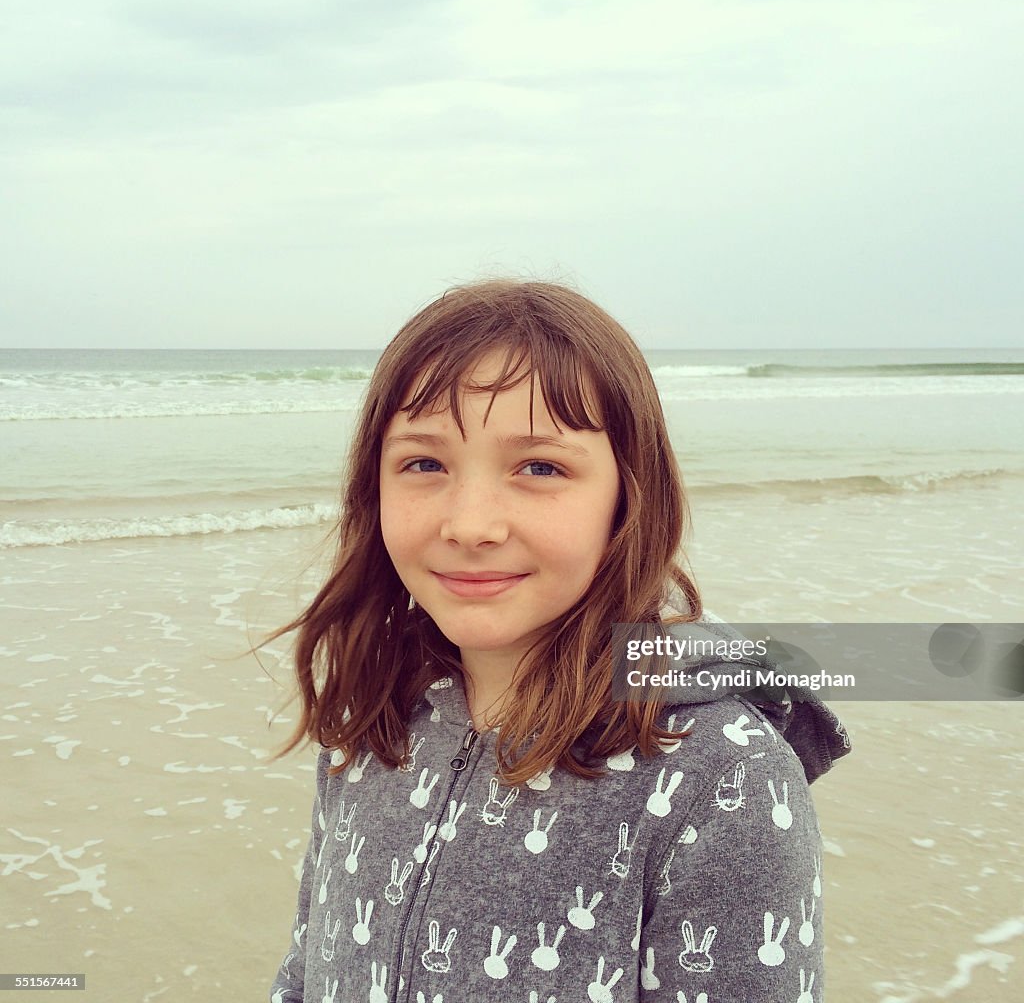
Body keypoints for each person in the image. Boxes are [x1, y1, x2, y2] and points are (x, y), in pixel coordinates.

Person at [266, 279, 851, 1002]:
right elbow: (303, 974)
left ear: (628, 499)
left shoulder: (722, 777)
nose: (470, 525)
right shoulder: (373, 716)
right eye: (424, 463)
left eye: (539, 467)